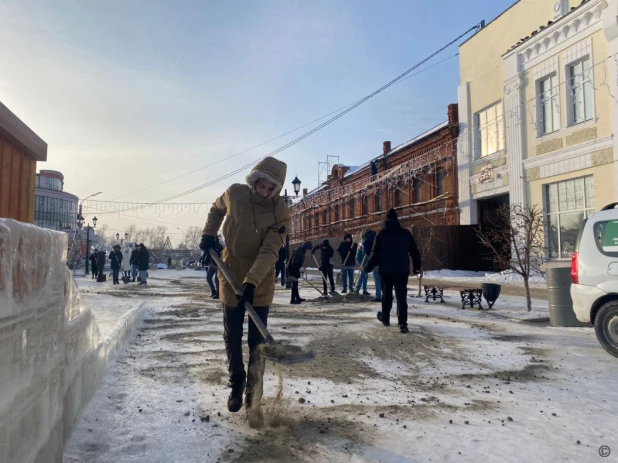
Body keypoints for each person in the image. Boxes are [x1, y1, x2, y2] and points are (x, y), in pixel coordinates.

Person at [200, 156, 291, 425]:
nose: (264, 192)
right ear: (254, 181)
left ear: (276, 189)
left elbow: (270, 250)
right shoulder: (236, 193)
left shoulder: (280, 212)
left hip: (259, 283)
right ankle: (236, 382)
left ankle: (254, 394)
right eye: (261, 186)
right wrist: (208, 234)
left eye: (270, 189)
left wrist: (252, 282)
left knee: (257, 343)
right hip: (229, 274)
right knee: (232, 335)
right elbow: (216, 210)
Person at [365, 209, 421, 333]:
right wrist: (417, 267)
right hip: (402, 270)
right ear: (397, 220)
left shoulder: (381, 234)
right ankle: (403, 324)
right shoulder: (405, 234)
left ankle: (385, 318)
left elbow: (374, 253)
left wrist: (368, 267)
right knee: (401, 297)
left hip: (386, 271)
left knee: (387, 295)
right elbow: (414, 251)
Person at [361, 228, 381, 301]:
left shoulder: (366, 241)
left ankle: (379, 296)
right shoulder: (378, 236)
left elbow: (369, 253)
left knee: (377, 279)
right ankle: (387, 295)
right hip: (384, 261)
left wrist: (368, 265)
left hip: (375, 262)